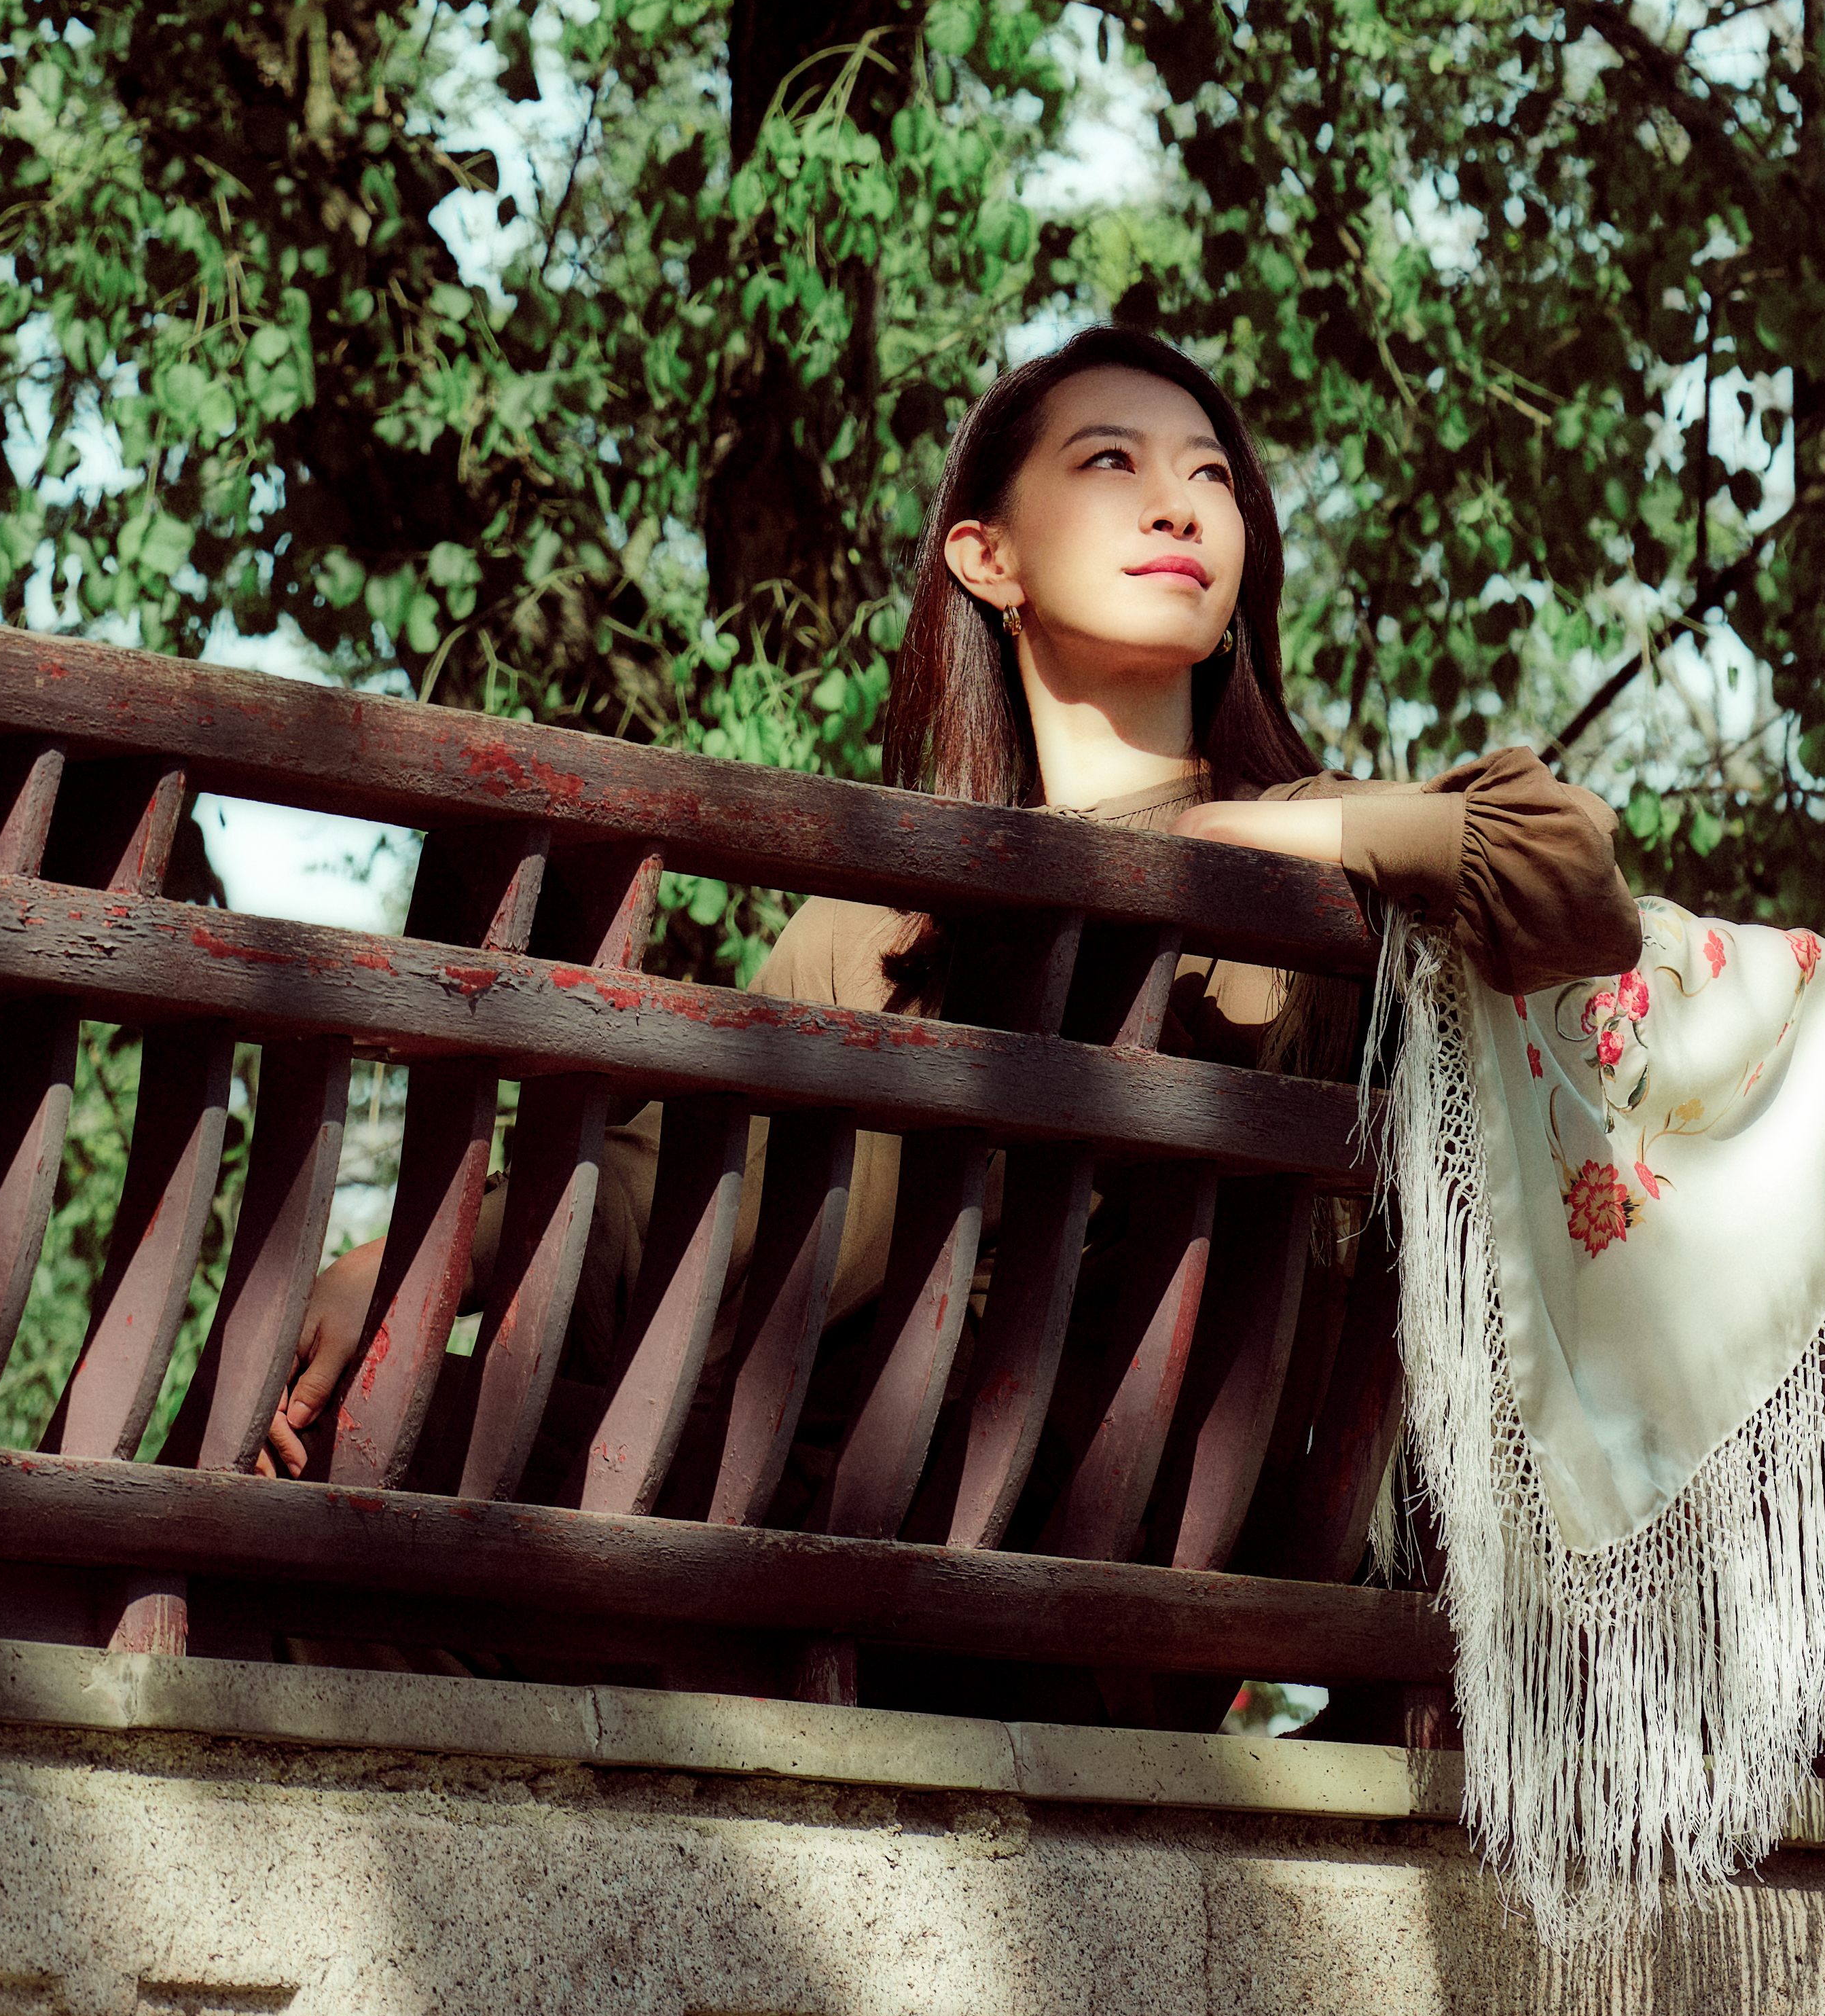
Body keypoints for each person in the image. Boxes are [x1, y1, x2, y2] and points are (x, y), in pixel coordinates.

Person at [261, 323, 1640, 1471]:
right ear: (987, 558)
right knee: (338, 1438)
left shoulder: (1324, 857)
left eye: (1211, 475)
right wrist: (414, 1258)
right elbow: (665, 1187)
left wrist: (1242, 827)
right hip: (837, 1502)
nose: (1178, 505)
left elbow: (1571, 874)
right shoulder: (879, 918)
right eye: (1111, 461)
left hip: (1059, 1541)